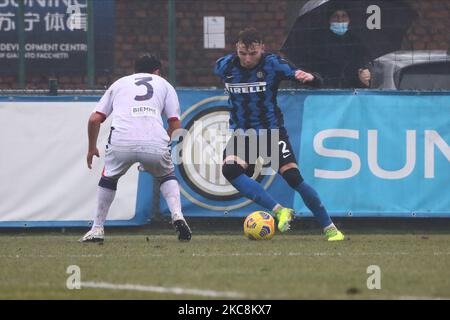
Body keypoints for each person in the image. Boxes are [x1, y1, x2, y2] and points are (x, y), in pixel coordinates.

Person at [214, 28, 344, 241]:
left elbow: (312, 80)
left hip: (270, 133)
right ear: (236, 49)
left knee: (293, 178)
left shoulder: (273, 64)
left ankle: (330, 228)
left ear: (262, 49)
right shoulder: (224, 66)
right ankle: (279, 210)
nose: (247, 59)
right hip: (243, 134)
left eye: (253, 53)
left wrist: (310, 78)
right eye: (242, 53)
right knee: (230, 169)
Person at [79, 53, 192, 243]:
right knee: (166, 175)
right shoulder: (164, 85)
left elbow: (94, 119)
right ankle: (178, 215)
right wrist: (162, 143)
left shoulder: (119, 83)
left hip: (121, 139)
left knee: (109, 178)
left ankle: (97, 228)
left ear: (134, 70)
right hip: (154, 139)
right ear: (157, 72)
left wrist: (91, 148)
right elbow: (175, 126)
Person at [304, 6, 371, 89]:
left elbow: (361, 68)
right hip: (324, 91)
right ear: (329, 20)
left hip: (350, 94)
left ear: (349, 20)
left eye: (344, 16)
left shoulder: (355, 42)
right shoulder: (317, 40)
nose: (340, 20)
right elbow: (312, 70)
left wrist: (364, 79)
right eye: (335, 16)